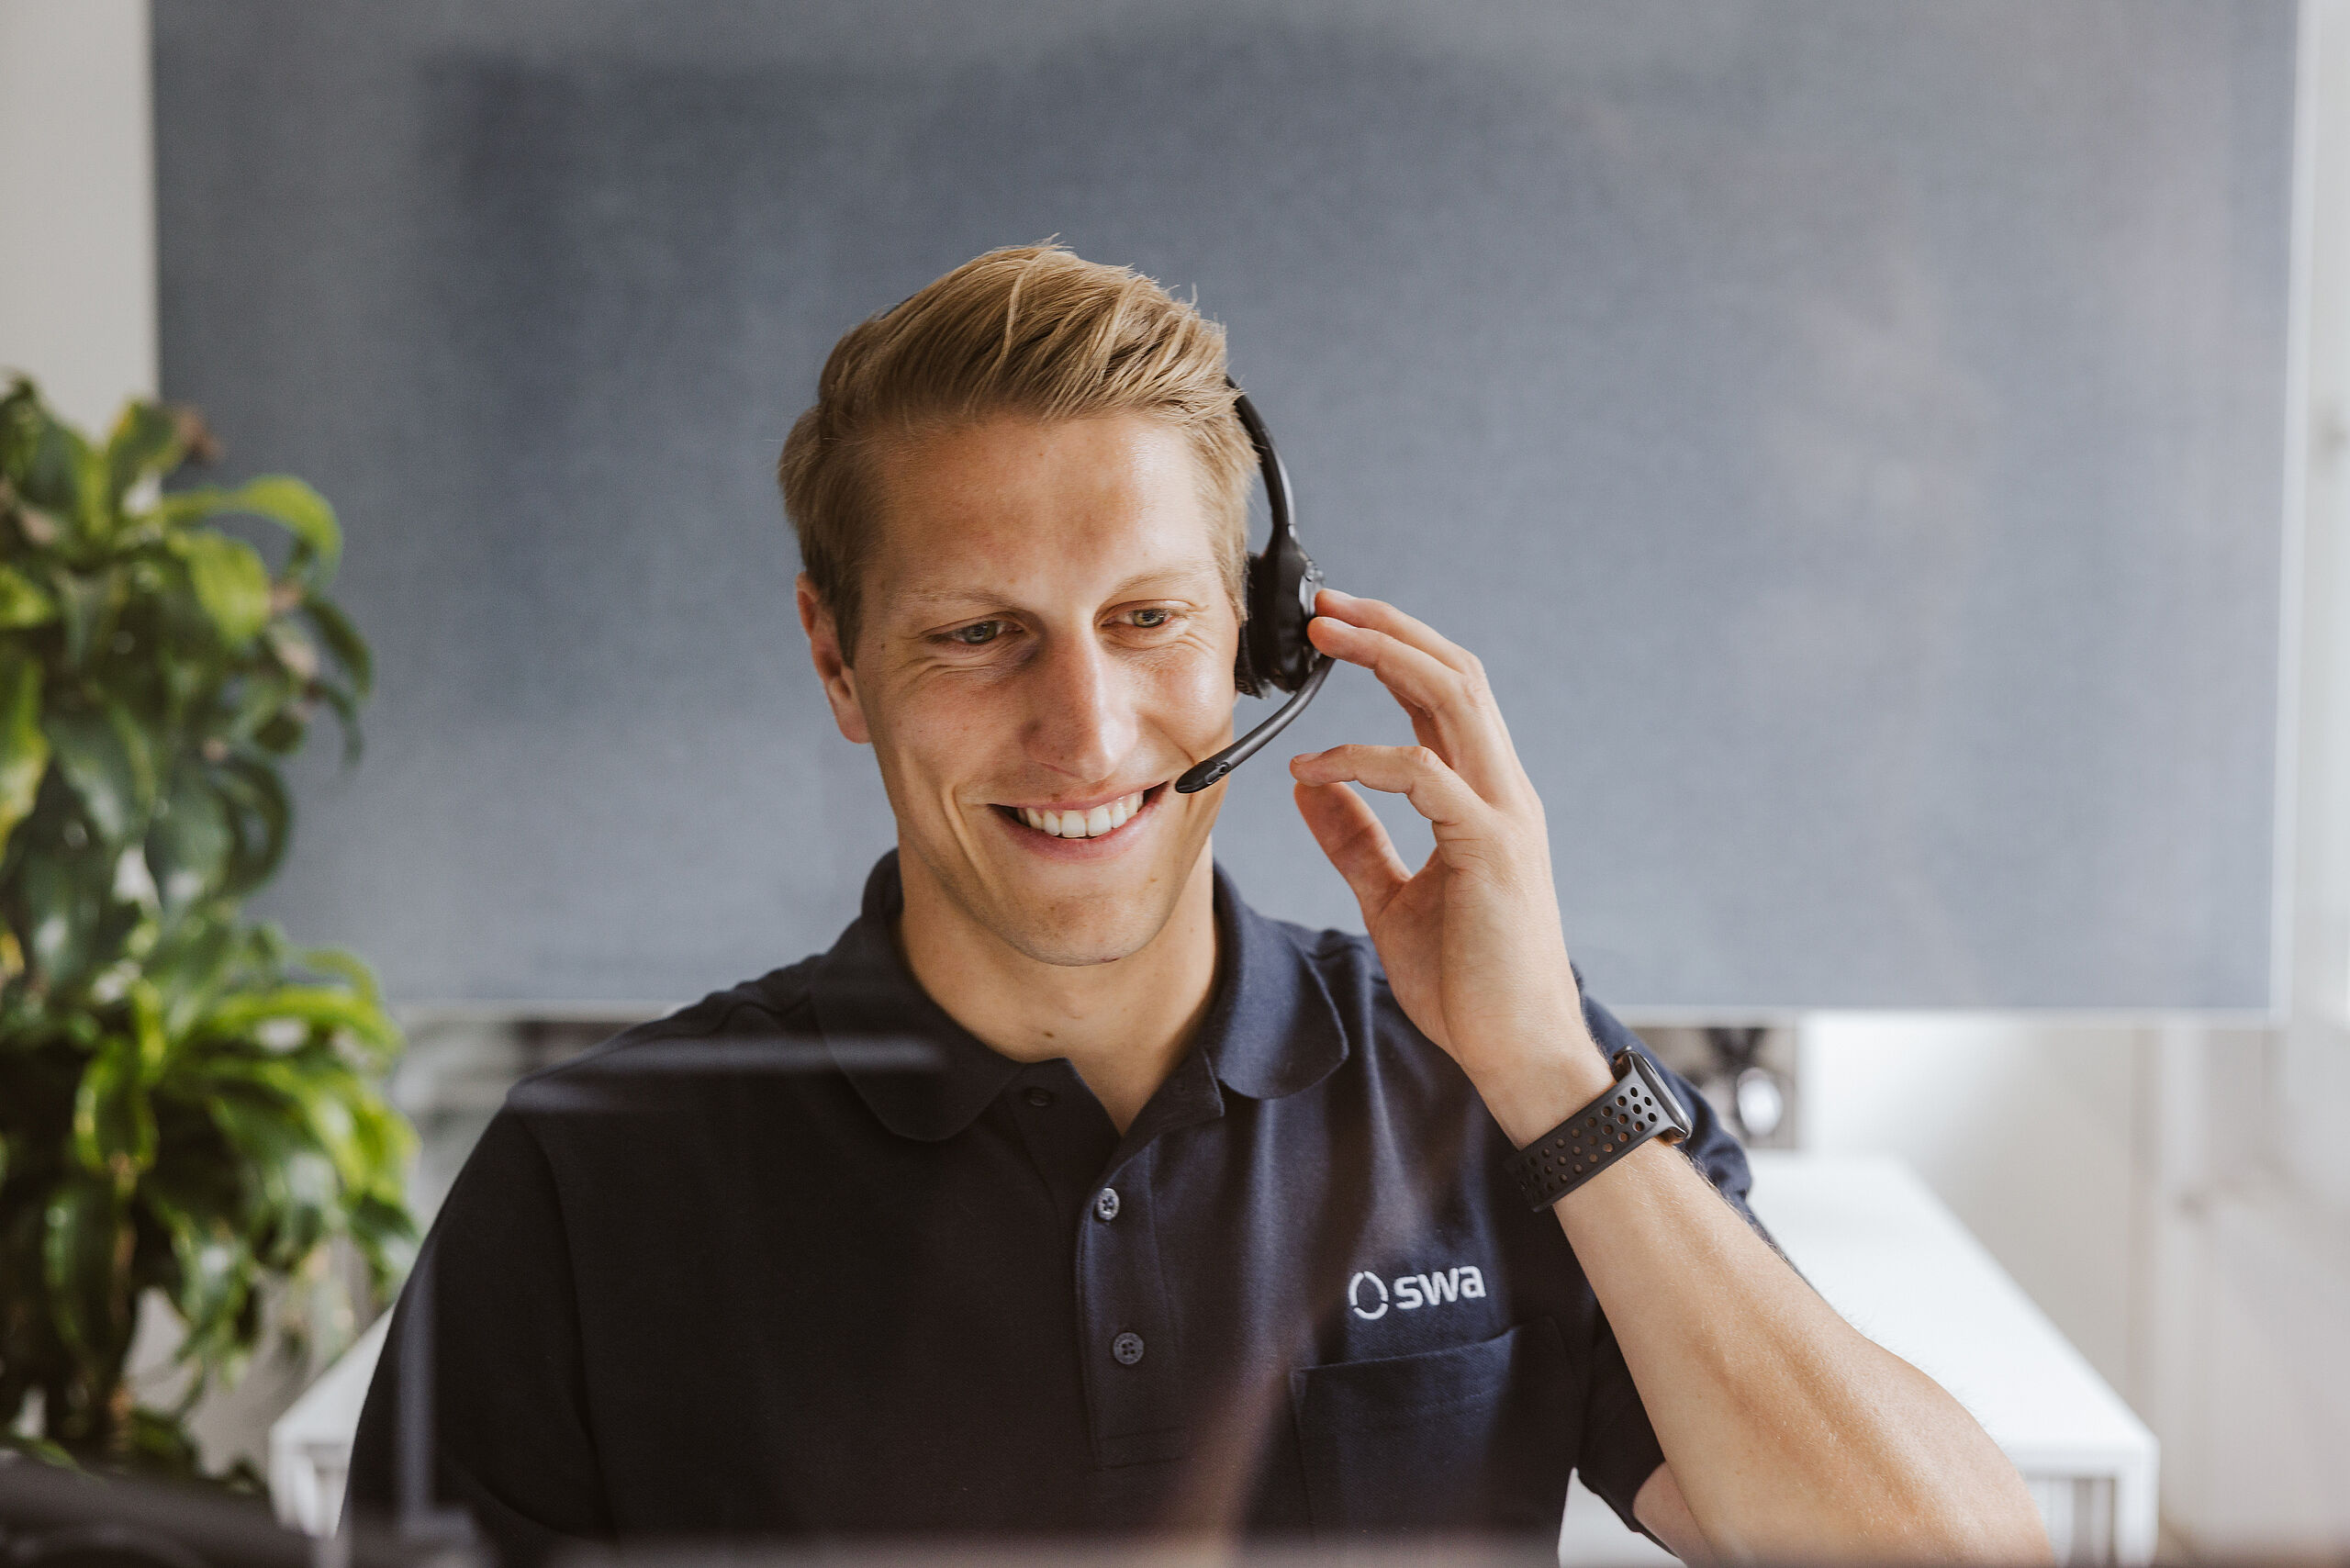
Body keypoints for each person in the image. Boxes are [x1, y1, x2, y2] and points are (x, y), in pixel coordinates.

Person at [347, 245, 2051, 1564]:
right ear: (835, 659)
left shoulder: (1505, 1101)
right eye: (974, 631)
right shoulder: (594, 1178)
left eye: (1148, 619)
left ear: (1257, 643)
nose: (1084, 729)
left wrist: (1541, 1068)